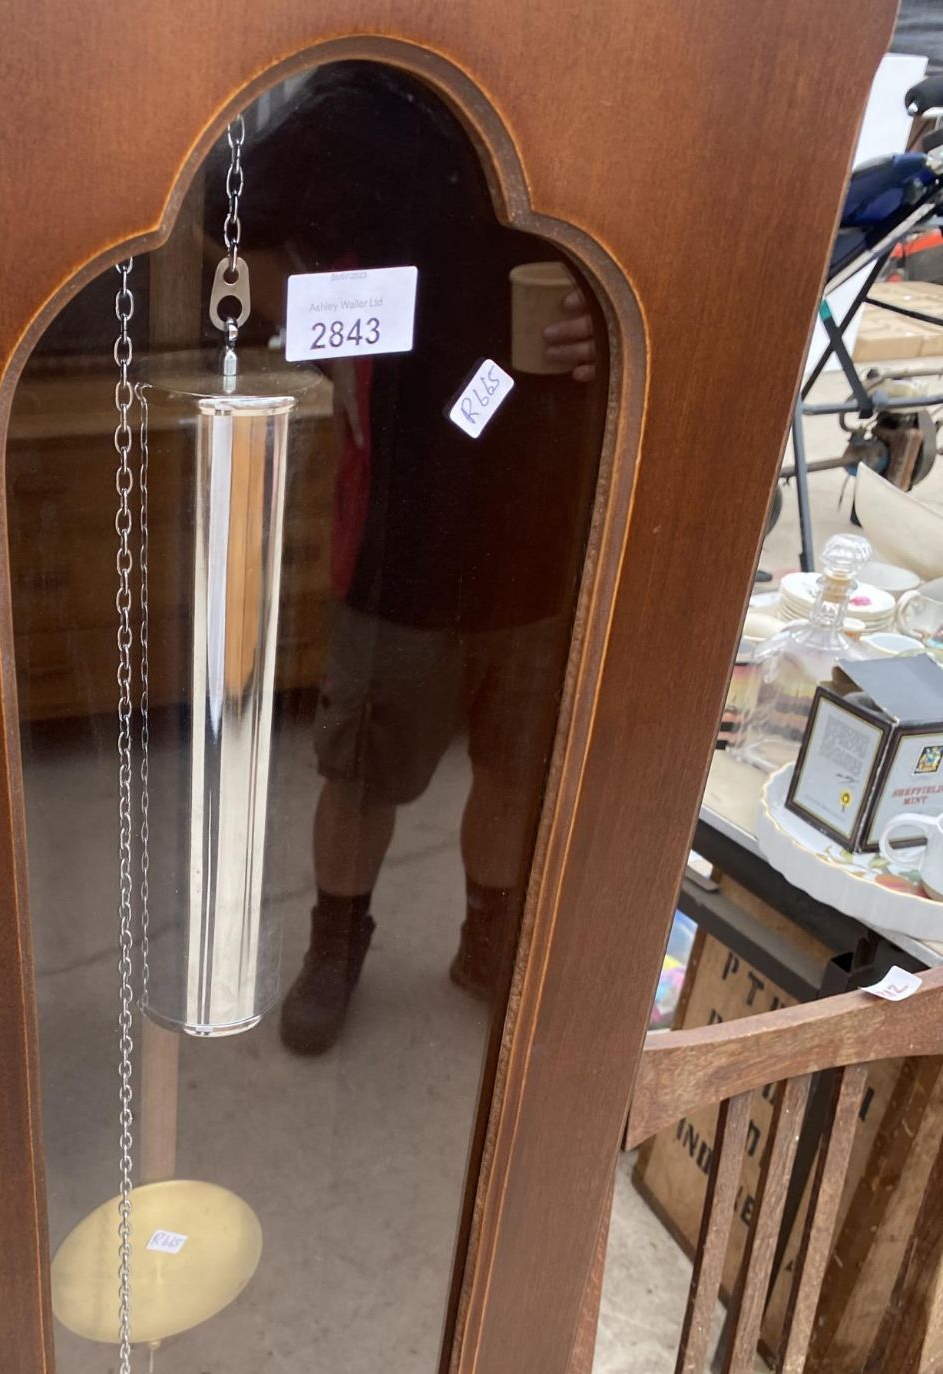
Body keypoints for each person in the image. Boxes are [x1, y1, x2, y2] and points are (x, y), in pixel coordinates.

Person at [237, 64, 604, 1054]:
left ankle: (489, 936)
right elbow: (233, 215)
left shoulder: (599, 91)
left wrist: (611, 324)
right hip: (407, 519)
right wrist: (320, 335)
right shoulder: (372, 96)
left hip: (550, 515)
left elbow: (667, 264)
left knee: (517, 761)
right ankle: (335, 945)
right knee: (362, 771)